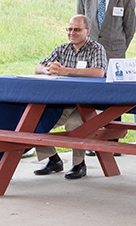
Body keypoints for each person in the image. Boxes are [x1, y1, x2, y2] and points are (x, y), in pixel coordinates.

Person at [32, 15, 108, 180]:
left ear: (87, 31)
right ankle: (53, 160)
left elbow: (98, 72)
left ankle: (79, 165)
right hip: (64, 103)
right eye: (70, 29)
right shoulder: (62, 49)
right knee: (34, 121)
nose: (72, 33)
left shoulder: (96, 48)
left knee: (74, 125)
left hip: (89, 105)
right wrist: (48, 70)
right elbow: (38, 67)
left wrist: (66, 71)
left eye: (77, 29)